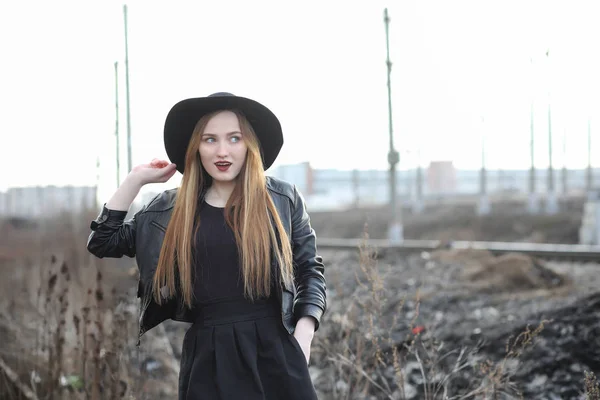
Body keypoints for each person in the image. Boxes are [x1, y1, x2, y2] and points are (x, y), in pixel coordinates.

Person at [86, 92, 326, 399]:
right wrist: (135, 180)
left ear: (249, 144)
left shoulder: (282, 198)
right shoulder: (171, 210)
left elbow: (309, 270)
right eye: (210, 139)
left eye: (234, 138)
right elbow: (102, 242)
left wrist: (303, 337)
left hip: (278, 351)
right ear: (196, 147)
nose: (222, 151)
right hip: (209, 357)